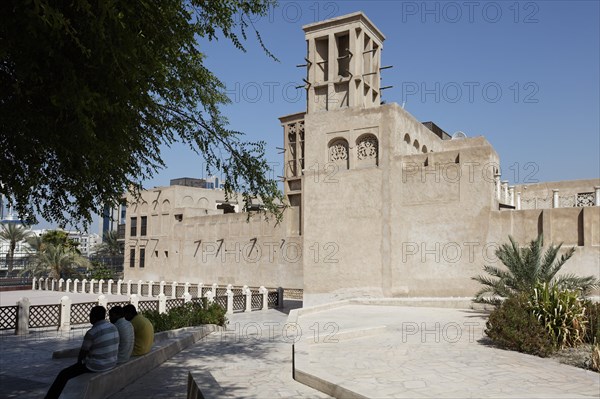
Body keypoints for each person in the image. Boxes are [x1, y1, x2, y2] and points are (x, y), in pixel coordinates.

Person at [45, 306, 119, 399]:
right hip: (112, 362)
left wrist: (79, 364)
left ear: (93, 317)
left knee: (63, 374)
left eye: (90, 315)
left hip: (97, 365)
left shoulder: (92, 332)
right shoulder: (113, 327)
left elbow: (82, 353)